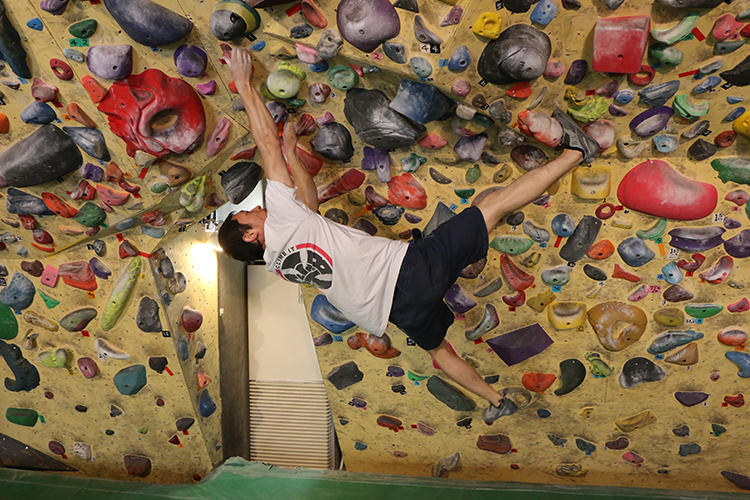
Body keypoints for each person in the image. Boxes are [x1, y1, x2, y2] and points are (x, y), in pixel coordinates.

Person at [219, 47, 598, 412]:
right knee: (492, 207)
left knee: (439, 352)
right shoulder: (281, 219)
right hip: (407, 274)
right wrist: (245, 84)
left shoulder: (280, 264)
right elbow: (264, 142)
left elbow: (309, 206)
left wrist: (291, 151)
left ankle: (497, 401)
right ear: (251, 235)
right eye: (247, 214)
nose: (255, 207)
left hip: (395, 311)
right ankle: (576, 151)